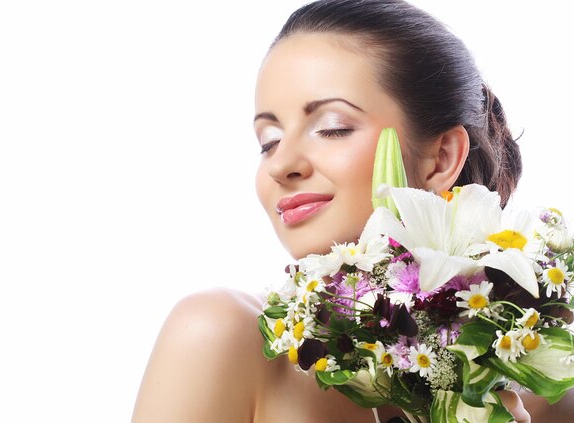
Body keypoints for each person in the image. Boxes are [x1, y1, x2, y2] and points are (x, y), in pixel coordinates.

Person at [132, 1, 573, 421]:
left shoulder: (544, 388)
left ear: (440, 159)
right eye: (268, 141)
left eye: (332, 128)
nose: (282, 165)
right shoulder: (219, 336)